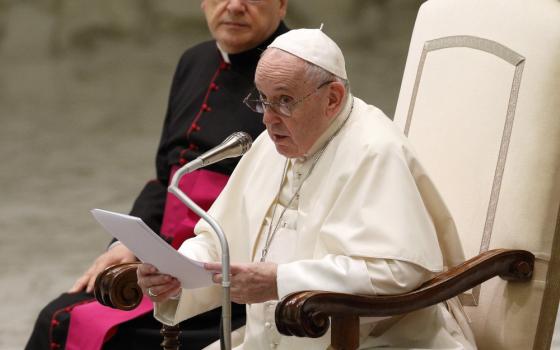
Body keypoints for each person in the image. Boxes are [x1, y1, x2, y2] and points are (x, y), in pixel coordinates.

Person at [137, 28, 477, 350]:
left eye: (284, 101)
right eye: (263, 100)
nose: (268, 119)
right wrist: (178, 269)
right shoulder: (270, 146)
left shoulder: (374, 150)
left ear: (332, 98)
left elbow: (398, 270)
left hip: (373, 342)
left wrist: (281, 281)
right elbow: (218, 241)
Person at [25, 1, 289, 349]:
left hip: (229, 276)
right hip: (165, 256)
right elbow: (167, 176)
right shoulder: (194, 60)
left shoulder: (292, 73)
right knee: (58, 316)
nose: (234, 6)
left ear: (282, 4)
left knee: (86, 328)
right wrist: (125, 244)